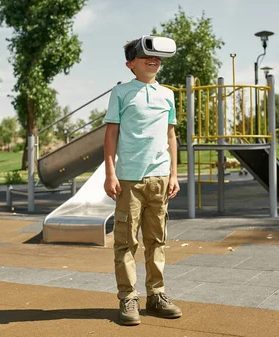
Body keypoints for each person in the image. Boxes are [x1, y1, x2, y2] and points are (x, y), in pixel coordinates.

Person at [103, 36, 182, 326]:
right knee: (125, 242)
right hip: (129, 180)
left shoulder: (168, 95)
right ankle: (128, 298)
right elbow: (111, 134)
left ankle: (157, 296)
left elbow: (171, 136)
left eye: (158, 57)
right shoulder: (121, 93)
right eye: (146, 56)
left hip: (160, 178)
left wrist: (174, 173)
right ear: (130, 64)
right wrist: (110, 173)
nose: (154, 60)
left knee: (157, 240)